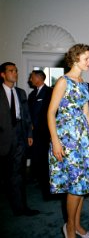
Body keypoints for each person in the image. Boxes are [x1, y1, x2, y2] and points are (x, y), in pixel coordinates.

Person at [47, 44, 89, 238]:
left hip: (84, 140)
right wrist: (56, 141)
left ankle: (77, 225)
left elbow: (87, 113)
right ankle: (69, 228)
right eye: (86, 58)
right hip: (67, 140)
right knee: (75, 185)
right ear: (76, 58)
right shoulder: (63, 81)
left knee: (83, 184)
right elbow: (51, 113)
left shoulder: (83, 83)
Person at [0, 62, 40, 216]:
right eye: (11, 71)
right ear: (3, 74)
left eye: (16, 71)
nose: (15, 73)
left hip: (20, 137)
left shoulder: (21, 92)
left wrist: (29, 134)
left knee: (18, 174)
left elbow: (27, 116)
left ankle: (21, 207)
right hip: (2, 138)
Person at [28, 70, 53, 200]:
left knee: (46, 163)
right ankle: (45, 188)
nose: (30, 80)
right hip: (35, 135)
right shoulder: (32, 94)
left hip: (47, 134)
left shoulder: (50, 92)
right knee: (39, 162)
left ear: (38, 78)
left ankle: (49, 192)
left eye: (31, 77)